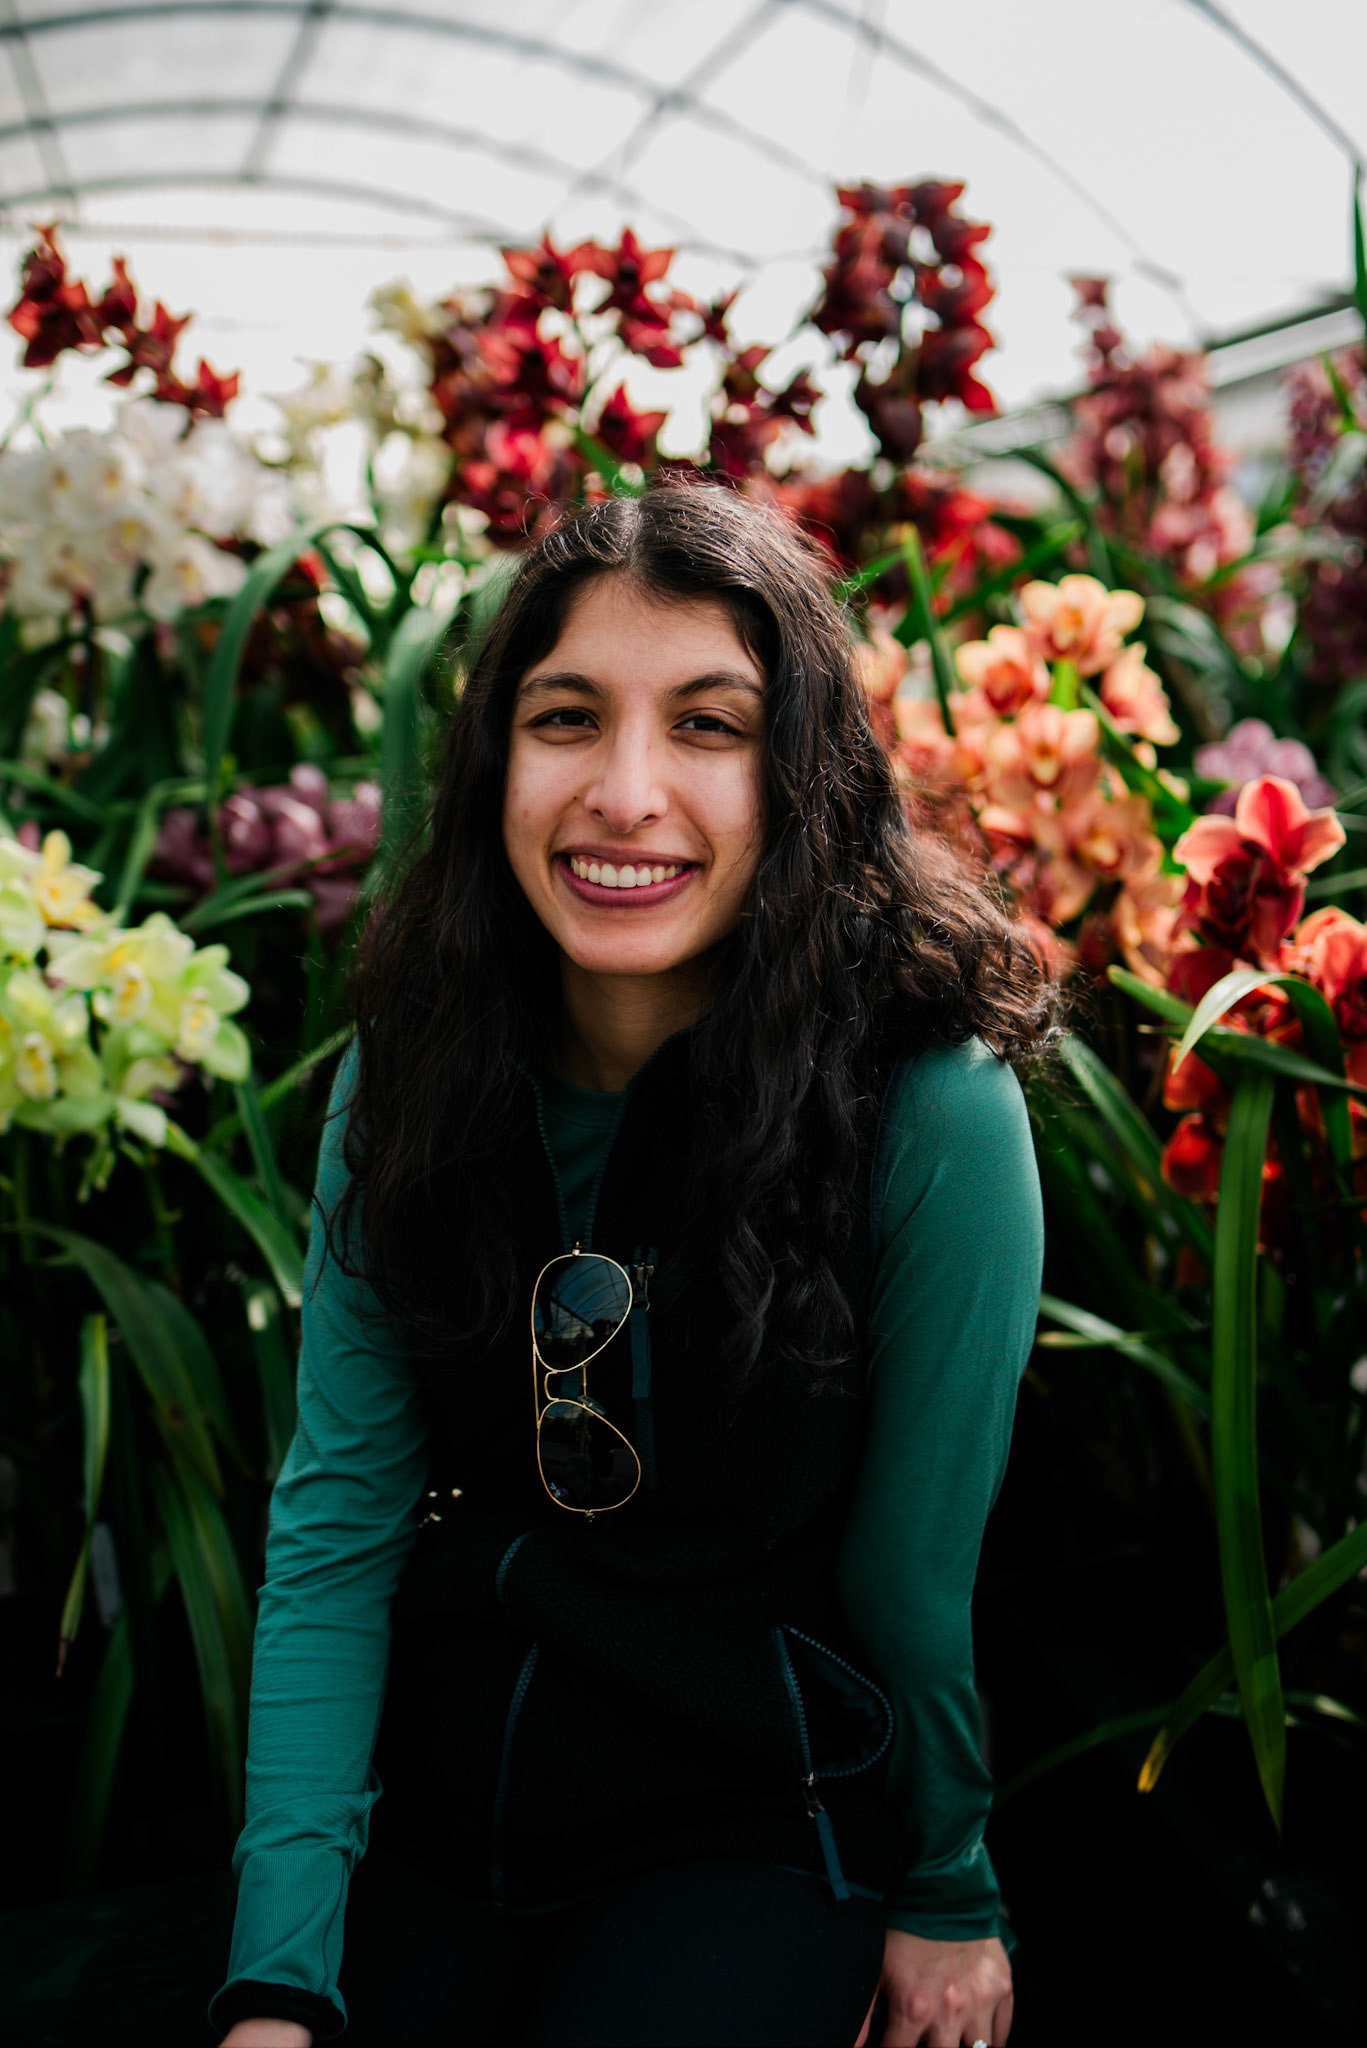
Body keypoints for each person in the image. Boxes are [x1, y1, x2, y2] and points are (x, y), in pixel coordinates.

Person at [210, 483, 1050, 2048]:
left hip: (752, 1817)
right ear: (494, 761)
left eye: (711, 726)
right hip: (449, 1798)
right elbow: (337, 1536)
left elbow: (913, 1573)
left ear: (802, 774)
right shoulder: (410, 1074)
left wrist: (948, 1882)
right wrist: (274, 1984)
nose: (626, 792)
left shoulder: (929, 1106)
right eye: (567, 718)